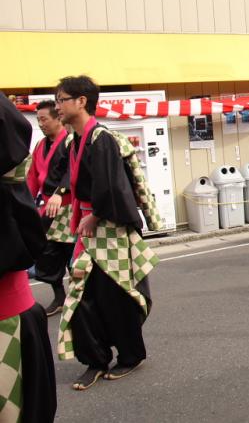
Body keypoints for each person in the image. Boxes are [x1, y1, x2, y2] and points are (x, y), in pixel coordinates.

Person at [54, 76, 160, 390]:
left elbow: (112, 185)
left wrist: (95, 215)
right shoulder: (75, 140)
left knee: (115, 296)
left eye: (61, 99)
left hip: (106, 227)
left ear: (81, 101)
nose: (57, 106)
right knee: (83, 297)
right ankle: (96, 359)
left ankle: (129, 355)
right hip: (88, 227)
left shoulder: (101, 138)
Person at [0, 92, 58, 423]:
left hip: (71, 223)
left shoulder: (97, 139)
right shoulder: (41, 146)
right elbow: (30, 177)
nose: (45, 120)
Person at [26, 99, 76, 316]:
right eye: (38, 120)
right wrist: (24, 202)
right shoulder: (39, 145)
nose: (41, 124)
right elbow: (32, 178)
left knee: (73, 256)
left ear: (58, 119)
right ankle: (59, 297)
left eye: (44, 119)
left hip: (68, 207)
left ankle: (79, 299)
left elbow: (72, 172)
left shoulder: (71, 141)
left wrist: (60, 192)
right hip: (47, 209)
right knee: (47, 254)